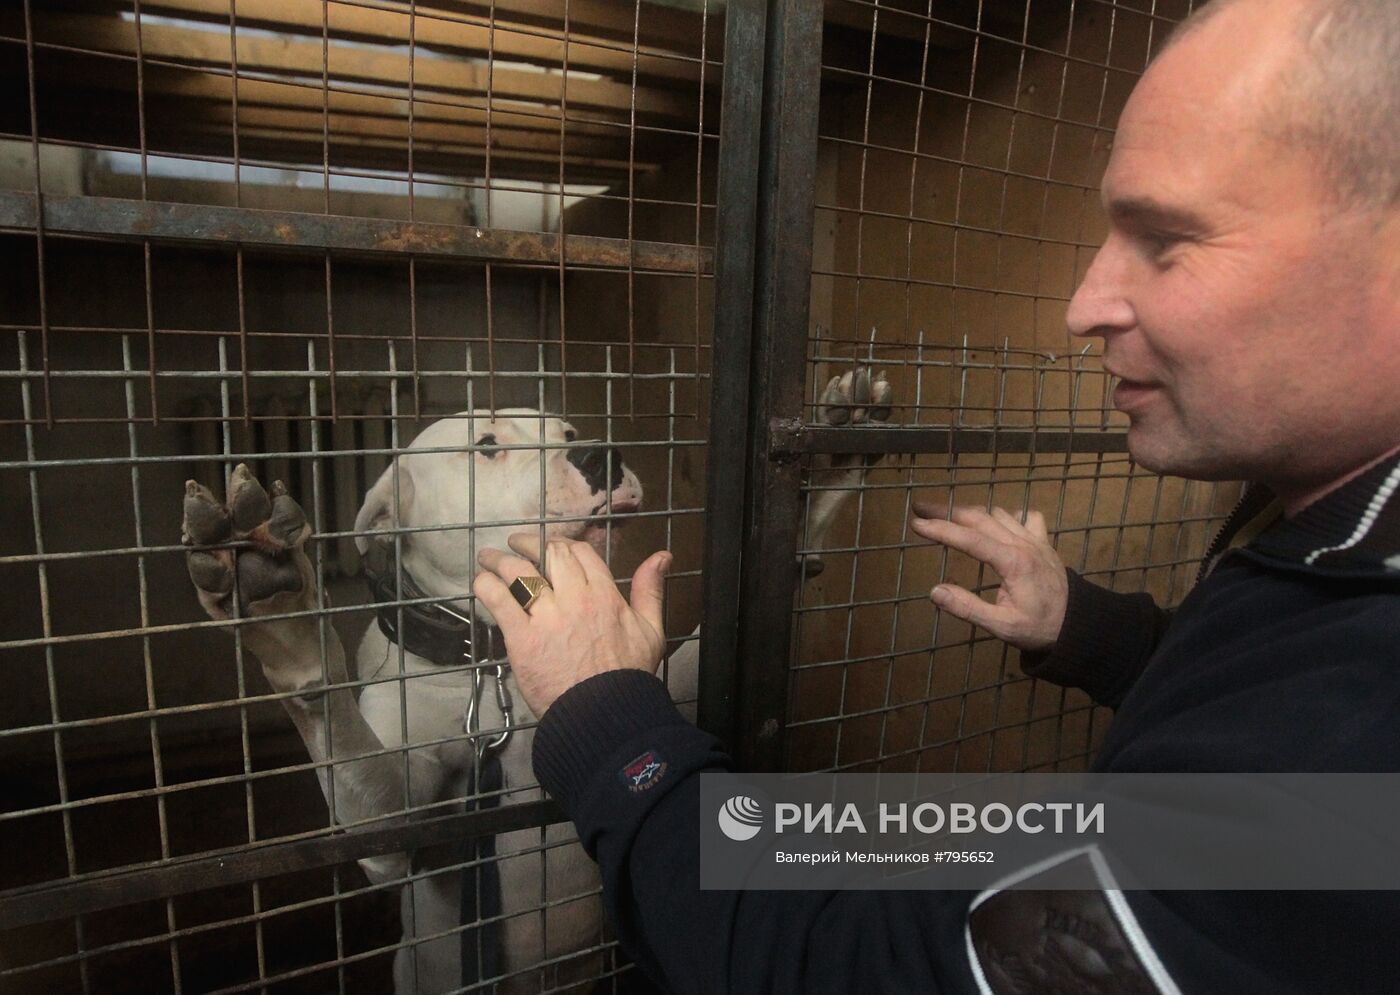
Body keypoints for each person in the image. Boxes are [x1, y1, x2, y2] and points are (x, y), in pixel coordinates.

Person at [473, 0, 1400, 991]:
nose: (1082, 303)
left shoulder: (1363, 716)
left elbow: (849, 970)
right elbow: (1252, 733)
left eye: (1165, 238)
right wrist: (1097, 632)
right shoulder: (1332, 541)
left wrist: (602, 714)